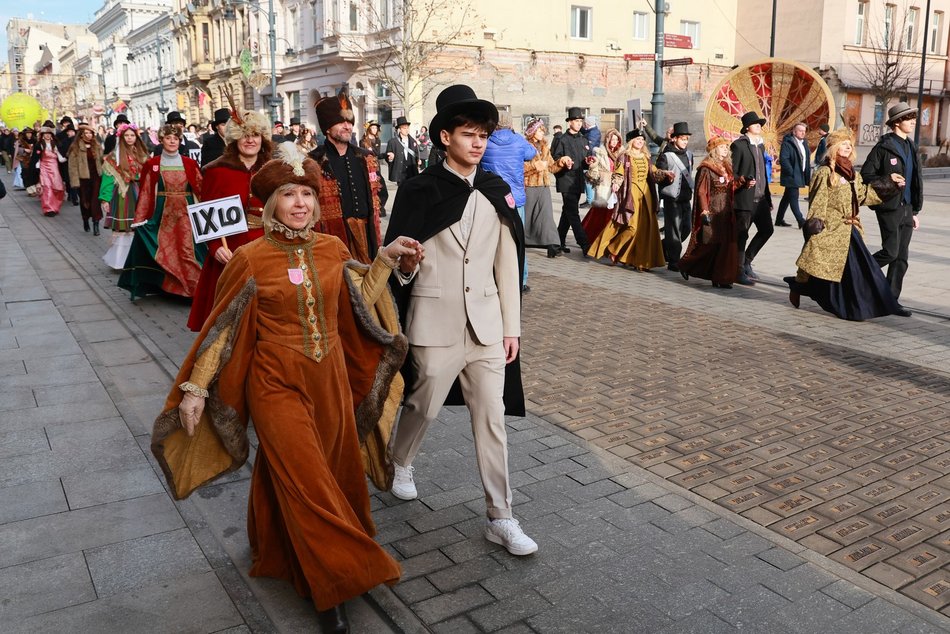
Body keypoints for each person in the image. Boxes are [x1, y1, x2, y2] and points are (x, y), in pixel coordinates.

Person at [151, 143, 420, 633]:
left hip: (330, 381)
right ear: (271, 202)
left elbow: (359, 301)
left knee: (326, 472)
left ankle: (277, 545)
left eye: (307, 194)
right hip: (274, 384)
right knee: (306, 478)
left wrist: (386, 261)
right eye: (289, 194)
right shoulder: (250, 258)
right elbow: (222, 328)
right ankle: (334, 584)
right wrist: (195, 388)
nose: (300, 203)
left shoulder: (333, 248)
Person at [383, 84, 537, 557]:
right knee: (423, 405)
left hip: (487, 327)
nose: (477, 143)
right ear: (445, 137)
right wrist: (406, 267)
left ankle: (501, 516)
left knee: (492, 419)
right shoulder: (419, 190)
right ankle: (399, 459)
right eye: (468, 134)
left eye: (483, 136)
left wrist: (511, 327)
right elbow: (394, 263)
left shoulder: (496, 190)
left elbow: (507, 263)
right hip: (433, 322)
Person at [786, 128, 905, 320]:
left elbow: (863, 196)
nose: (848, 147)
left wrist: (889, 183)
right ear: (834, 147)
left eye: (850, 144)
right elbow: (818, 201)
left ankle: (855, 306)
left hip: (851, 230)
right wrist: (815, 226)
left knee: (857, 271)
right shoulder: (824, 172)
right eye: (843, 143)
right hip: (831, 229)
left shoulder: (853, 174)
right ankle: (801, 287)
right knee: (816, 263)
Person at [186, 109, 272, 331]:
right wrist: (215, 247)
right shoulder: (216, 171)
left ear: (263, 138)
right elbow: (207, 215)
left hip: (267, 248)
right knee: (229, 318)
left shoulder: (273, 170)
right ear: (235, 138)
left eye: (255, 135)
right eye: (244, 135)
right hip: (230, 249)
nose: (250, 140)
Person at [119, 124, 206, 300]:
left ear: (180, 141)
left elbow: (201, 188)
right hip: (161, 214)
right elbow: (146, 191)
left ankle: (194, 289)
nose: (172, 141)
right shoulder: (152, 164)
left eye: (175, 138)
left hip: (185, 212)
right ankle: (170, 287)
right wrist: (140, 218)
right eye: (168, 138)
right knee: (166, 251)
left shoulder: (190, 163)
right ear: (161, 140)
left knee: (186, 250)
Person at [860, 102, 922, 316]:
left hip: (907, 208)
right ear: (897, 122)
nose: (913, 121)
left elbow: (916, 181)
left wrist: (914, 212)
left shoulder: (911, 146)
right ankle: (858, 273)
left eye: (913, 118)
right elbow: (866, 175)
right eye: (909, 118)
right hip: (889, 208)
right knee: (890, 252)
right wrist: (888, 178)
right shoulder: (883, 147)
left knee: (901, 259)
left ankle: (891, 301)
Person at [309, 94, 388, 263]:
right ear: (327, 128)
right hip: (332, 239)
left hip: (368, 236)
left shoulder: (366, 157)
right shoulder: (313, 161)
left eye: (350, 122)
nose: (347, 126)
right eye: (341, 122)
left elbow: (381, 193)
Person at [588, 128, 669, 271]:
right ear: (631, 141)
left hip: (646, 195)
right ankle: (613, 248)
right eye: (638, 139)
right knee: (632, 227)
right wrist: (616, 183)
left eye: (642, 140)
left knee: (646, 229)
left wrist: (664, 173)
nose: (640, 142)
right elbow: (618, 173)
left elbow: (653, 172)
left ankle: (640, 261)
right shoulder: (624, 156)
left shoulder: (646, 156)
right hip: (631, 194)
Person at [481, 111, 537, 291]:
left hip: (491, 198)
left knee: (491, 240)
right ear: (511, 124)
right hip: (515, 198)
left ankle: (492, 278)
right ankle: (521, 280)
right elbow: (532, 153)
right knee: (517, 239)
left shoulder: (486, 141)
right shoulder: (518, 140)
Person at [678, 136, 738, 288]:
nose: (725, 149)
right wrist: (704, 211)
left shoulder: (727, 166)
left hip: (726, 210)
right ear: (714, 149)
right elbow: (701, 191)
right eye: (722, 147)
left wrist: (743, 182)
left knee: (725, 245)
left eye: (726, 147)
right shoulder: (706, 168)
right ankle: (686, 265)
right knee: (710, 244)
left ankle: (721, 277)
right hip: (713, 210)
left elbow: (731, 186)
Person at [731, 111, 774, 285]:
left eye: (760, 124)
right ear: (747, 127)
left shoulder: (760, 146)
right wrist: (743, 181)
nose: (759, 126)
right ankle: (737, 271)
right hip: (744, 198)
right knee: (742, 235)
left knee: (767, 230)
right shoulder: (739, 145)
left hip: (761, 198)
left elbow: (763, 173)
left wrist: (768, 199)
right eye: (756, 123)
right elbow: (732, 173)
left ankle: (747, 261)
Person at [100, 123, 149, 269]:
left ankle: (137, 260)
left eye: (132, 135)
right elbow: (108, 179)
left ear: (136, 137)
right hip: (123, 194)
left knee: (138, 227)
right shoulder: (114, 156)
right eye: (126, 135)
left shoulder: (142, 154)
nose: (129, 138)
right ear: (121, 137)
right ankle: (120, 262)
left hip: (140, 193)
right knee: (124, 229)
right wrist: (105, 198)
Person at [551, 107, 591, 254]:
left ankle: (557, 242)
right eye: (576, 121)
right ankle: (584, 243)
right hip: (566, 180)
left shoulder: (583, 139)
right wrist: (564, 161)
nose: (579, 123)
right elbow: (555, 159)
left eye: (581, 121)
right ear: (570, 122)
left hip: (578, 180)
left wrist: (589, 162)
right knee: (573, 212)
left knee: (567, 212)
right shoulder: (562, 139)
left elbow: (584, 162)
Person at [655, 122, 695, 270]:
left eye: (686, 139)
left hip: (686, 197)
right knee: (674, 230)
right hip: (672, 198)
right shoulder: (666, 156)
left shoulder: (689, 155)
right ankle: (674, 261)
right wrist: (666, 177)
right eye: (682, 139)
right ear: (674, 139)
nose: (685, 142)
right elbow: (658, 176)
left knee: (686, 228)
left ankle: (661, 248)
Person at [522, 118, 563, 259]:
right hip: (529, 186)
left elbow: (551, 166)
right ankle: (523, 241)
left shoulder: (545, 147)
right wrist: (535, 166)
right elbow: (519, 167)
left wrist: (561, 163)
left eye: (543, 131)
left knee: (547, 216)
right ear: (532, 132)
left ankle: (553, 245)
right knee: (527, 216)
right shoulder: (524, 146)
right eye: (539, 130)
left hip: (544, 186)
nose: (542, 133)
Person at [580, 128, 624, 245]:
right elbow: (593, 175)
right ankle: (594, 240)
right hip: (605, 188)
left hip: (619, 188)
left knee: (615, 216)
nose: (614, 142)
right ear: (607, 140)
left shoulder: (623, 154)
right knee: (601, 215)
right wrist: (593, 166)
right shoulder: (600, 153)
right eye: (612, 139)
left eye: (616, 139)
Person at [68, 124, 104, 234]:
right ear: (81, 134)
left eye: (90, 133)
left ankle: (96, 224)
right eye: (86, 133)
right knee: (85, 202)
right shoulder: (75, 147)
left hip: (96, 177)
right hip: (83, 179)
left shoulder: (97, 146)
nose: (89, 135)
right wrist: (75, 181)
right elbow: (72, 166)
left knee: (95, 201)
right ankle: (85, 219)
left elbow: (101, 161)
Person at [775, 122, 811, 228]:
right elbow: (784, 159)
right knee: (794, 198)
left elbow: (806, 159)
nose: (803, 133)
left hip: (800, 174)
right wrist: (791, 172)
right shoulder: (788, 143)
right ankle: (801, 221)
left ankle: (779, 220)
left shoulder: (804, 143)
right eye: (800, 131)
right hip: (791, 176)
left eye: (804, 131)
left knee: (787, 197)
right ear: (794, 132)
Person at [29, 126, 68, 217]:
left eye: (49, 134)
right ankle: (48, 209)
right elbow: (36, 158)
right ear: (43, 135)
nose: (47, 135)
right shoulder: (39, 145)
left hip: (55, 169)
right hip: (44, 169)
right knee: (47, 188)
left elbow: (61, 158)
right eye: (45, 134)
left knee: (58, 189)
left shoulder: (56, 144)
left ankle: (55, 207)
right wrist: (37, 168)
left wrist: (68, 156)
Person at [385, 116, 419, 184]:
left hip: (411, 170)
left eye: (407, 128)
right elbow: (387, 157)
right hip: (400, 171)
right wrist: (390, 158)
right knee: (401, 188)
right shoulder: (392, 142)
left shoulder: (413, 141)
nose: (407, 130)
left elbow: (416, 154)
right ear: (399, 129)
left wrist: (418, 160)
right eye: (404, 128)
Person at [581, 115, 601, 208]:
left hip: (590, 159)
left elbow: (590, 147)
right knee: (587, 180)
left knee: (588, 180)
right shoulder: (591, 130)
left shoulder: (593, 133)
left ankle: (590, 201)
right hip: (589, 158)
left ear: (587, 124)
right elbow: (584, 131)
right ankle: (589, 199)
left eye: (584, 123)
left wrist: (587, 158)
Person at [17, 128, 37, 194]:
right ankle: (29, 189)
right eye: (27, 133)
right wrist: (24, 150)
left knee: (33, 173)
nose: (29, 134)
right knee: (25, 173)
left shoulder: (35, 140)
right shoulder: (21, 141)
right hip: (24, 159)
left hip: (33, 159)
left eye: (30, 133)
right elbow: (16, 149)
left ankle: (33, 188)